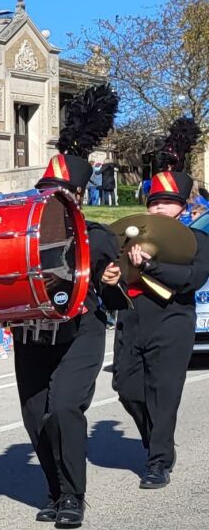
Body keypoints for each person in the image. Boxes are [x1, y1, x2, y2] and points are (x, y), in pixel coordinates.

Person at [14, 84, 127, 529]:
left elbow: (117, 296)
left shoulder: (97, 237)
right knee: (34, 416)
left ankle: (73, 497)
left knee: (64, 408)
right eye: (46, 189)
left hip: (80, 331)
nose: (51, 197)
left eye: (61, 191)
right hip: (32, 333)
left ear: (76, 197)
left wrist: (113, 281)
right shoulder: (22, 237)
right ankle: (54, 487)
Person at [112, 116, 209, 490]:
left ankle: (158, 462)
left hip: (172, 322)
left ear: (181, 209)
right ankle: (155, 440)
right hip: (133, 320)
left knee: (164, 394)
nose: (160, 210)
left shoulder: (198, 241)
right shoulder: (127, 238)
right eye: (155, 203)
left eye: (168, 204)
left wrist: (151, 265)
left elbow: (191, 280)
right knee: (127, 387)